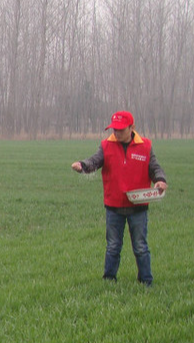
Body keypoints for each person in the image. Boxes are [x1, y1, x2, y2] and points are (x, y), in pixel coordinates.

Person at [71, 111, 167, 286]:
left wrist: (160, 181)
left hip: (138, 207)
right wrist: (82, 166)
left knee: (140, 247)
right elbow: (95, 161)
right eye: (114, 129)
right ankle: (109, 280)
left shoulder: (145, 146)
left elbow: (155, 168)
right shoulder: (106, 145)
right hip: (113, 206)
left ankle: (146, 281)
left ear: (132, 128)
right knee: (113, 247)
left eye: (121, 130)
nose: (116, 133)